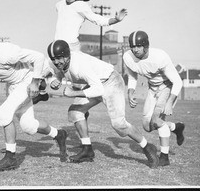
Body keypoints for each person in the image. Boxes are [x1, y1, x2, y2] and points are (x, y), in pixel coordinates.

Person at [46, 39, 159, 168]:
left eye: (59, 58)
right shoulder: (57, 63)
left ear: (68, 55)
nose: (56, 62)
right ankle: (87, 150)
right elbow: (58, 72)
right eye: (53, 59)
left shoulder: (80, 66)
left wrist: (73, 93)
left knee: (119, 125)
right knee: (75, 113)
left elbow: (98, 90)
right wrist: (55, 80)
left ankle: (146, 146)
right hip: (95, 83)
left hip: (111, 82)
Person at [0, 29, 68, 171]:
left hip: (26, 81)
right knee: (29, 126)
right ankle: (58, 134)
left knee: (4, 113)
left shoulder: (7, 52)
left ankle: (10, 158)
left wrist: (34, 82)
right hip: (14, 86)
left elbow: (39, 57)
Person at [122, 30, 185, 167]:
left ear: (146, 45)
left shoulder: (160, 56)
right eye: (133, 46)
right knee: (147, 126)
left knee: (156, 120)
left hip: (166, 87)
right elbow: (133, 76)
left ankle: (164, 156)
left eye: (139, 46)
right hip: (152, 88)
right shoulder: (128, 57)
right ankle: (176, 127)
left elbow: (177, 82)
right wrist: (130, 92)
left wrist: (169, 102)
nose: (135, 49)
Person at [55, 0, 128, 51]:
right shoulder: (61, 4)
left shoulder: (80, 6)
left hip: (71, 45)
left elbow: (98, 20)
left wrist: (116, 19)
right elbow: (59, 6)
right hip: (57, 43)